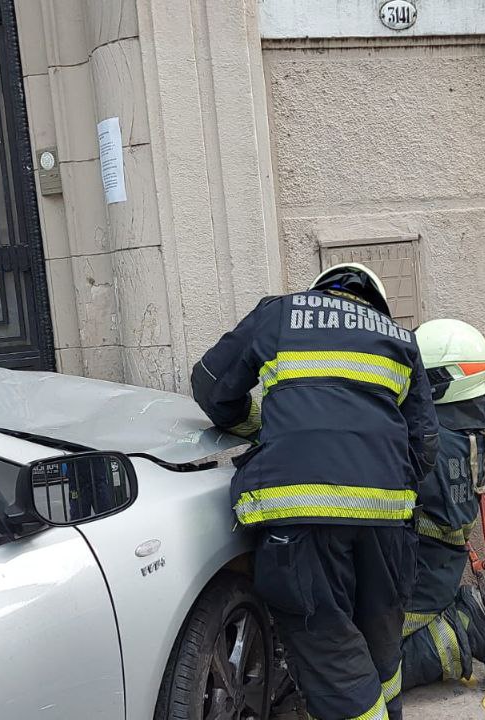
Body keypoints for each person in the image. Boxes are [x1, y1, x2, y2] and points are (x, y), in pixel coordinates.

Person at [192, 262, 439, 720]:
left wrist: (259, 426)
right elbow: (423, 447)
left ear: (320, 292)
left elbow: (210, 386)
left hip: (300, 519)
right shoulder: (400, 339)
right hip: (387, 523)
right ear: (373, 304)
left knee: (328, 646)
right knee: (381, 638)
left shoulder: (279, 315)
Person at [401, 318, 485, 690]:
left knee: (360, 673)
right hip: (435, 564)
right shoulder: (465, 425)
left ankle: (461, 627)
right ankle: (454, 615)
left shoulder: (431, 439)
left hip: (419, 571)